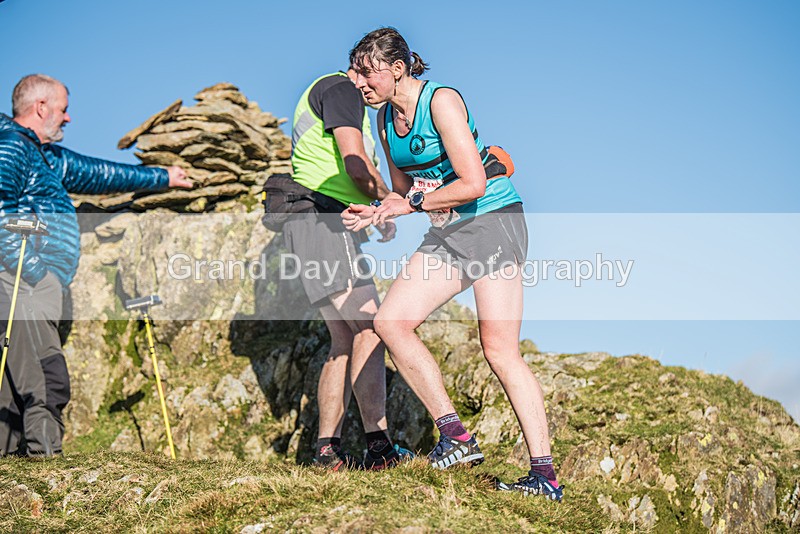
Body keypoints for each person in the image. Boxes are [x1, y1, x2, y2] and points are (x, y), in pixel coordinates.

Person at [342, 28, 563, 500]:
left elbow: (473, 183)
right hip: (449, 230)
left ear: (397, 69)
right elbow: (405, 192)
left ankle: (544, 476)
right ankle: (456, 438)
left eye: (366, 70)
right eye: (355, 70)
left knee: (499, 349)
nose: (358, 80)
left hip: (493, 221)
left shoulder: (441, 102)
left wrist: (412, 207)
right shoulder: (383, 121)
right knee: (391, 322)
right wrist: (380, 208)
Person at [0, 74, 193, 457]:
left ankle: (11, 472)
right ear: (41, 108)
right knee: (44, 375)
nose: (68, 118)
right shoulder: (11, 148)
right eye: (63, 109)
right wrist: (37, 268)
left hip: (31, 279)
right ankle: (44, 462)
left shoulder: (45, 155)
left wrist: (164, 177)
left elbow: (103, 174)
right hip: (21, 278)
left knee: (13, 380)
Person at [283, 69, 411, 470]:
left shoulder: (327, 89)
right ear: (362, 70)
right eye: (372, 77)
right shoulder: (342, 89)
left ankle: (327, 451)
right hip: (323, 219)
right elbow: (355, 165)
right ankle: (379, 447)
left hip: (309, 221)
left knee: (343, 338)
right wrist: (388, 202)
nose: (373, 91)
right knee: (371, 326)